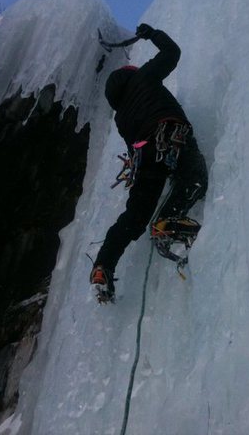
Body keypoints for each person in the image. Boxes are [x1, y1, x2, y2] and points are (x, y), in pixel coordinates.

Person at [90, 23, 208, 302]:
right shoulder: (143, 77)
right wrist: (152, 33)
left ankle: (103, 265)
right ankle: (168, 220)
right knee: (195, 178)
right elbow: (172, 52)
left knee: (135, 215)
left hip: (145, 156)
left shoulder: (121, 118)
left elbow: (135, 148)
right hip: (171, 134)